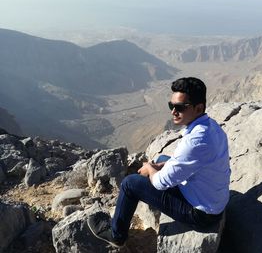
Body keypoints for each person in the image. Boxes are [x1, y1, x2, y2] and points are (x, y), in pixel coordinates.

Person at [87, 77, 231, 248]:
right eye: (171, 106)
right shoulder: (211, 126)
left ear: (199, 108)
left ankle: (116, 235)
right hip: (211, 198)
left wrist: (149, 168)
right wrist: (158, 167)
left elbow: (161, 182)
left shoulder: (196, 141)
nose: (173, 112)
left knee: (130, 184)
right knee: (162, 160)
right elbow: (190, 162)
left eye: (179, 108)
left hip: (201, 214)